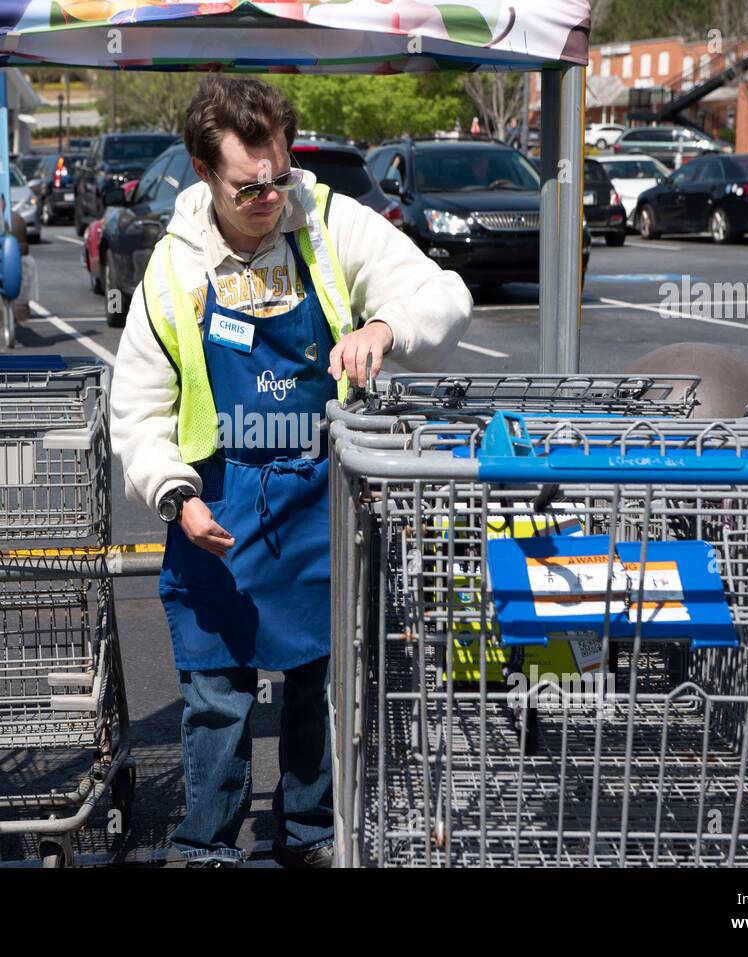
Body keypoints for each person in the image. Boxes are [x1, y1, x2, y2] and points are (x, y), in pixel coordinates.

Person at [110, 76, 472, 868]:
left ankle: (309, 832)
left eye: (279, 176)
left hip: (322, 501)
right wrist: (173, 494)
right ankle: (207, 843)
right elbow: (135, 406)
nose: (268, 195)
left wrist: (385, 323)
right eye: (248, 186)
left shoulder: (335, 225)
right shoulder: (173, 271)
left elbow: (443, 297)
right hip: (218, 508)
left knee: (316, 681)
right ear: (204, 175)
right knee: (216, 693)